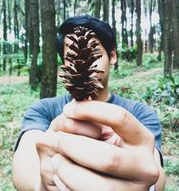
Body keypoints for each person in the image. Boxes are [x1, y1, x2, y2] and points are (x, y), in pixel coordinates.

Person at [12, 15, 165, 191]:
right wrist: (43, 184)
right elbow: (24, 164)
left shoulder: (140, 114)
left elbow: (155, 172)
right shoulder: (44, 110)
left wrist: (146, 184)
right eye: (72, 57)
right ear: (64, 65)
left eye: (93, 54)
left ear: (112, 56)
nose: (83, 64)